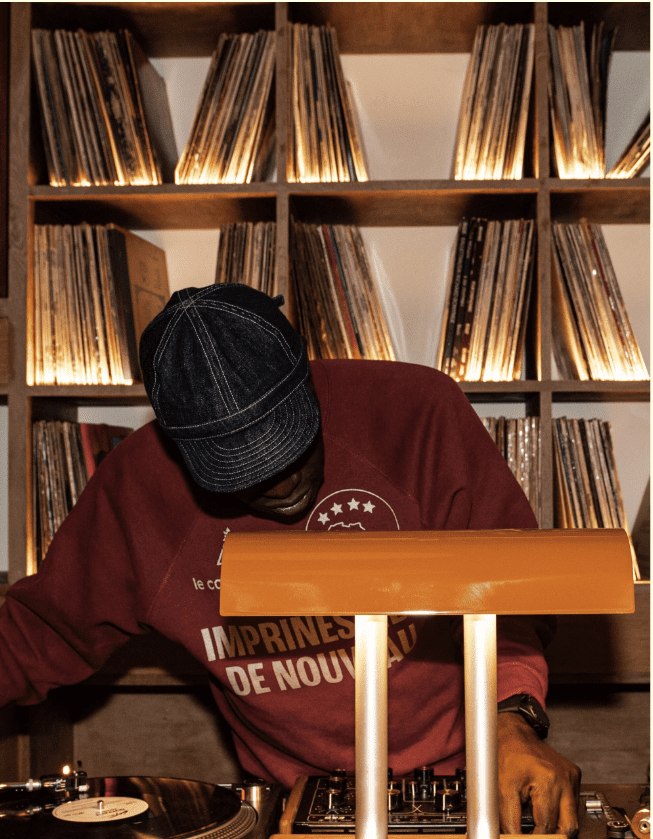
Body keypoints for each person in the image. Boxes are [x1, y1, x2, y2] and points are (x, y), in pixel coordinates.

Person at [0, 284, 580, 835]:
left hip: (471, 777)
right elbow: (37, 635)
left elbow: (513, 594)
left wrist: (511, 721)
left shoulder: (419, 415)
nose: (281, 484)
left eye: (290, 444)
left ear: (307, 377)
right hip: (288, 800)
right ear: (178, 447)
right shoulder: (136, 490)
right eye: (239, 471)